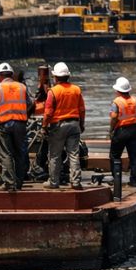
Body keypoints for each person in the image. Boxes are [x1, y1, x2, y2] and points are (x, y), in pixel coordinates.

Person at [0, 62, 33, 192]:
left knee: (5, 153)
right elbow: (30, 103)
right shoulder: (22, 87)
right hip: (20, 124)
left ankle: (9, 183)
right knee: (20, 152)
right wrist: (22, 115)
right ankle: (19, 182)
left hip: (3, 125)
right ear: (12, 75)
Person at [43, 61, 85, 190]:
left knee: (55, 154)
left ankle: (54, 182)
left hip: (58, 126)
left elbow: (48, 112)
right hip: (74, 124)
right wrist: (81, 124)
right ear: (68, 76)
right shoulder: (76, 90)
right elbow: (82, 109)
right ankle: (76, 182)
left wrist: (44, 126)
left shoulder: (53, 92)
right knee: (73, 154)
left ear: (55, 77)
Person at [109, 76, 136, 189]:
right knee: (134, 157)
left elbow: (114, 117)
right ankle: (134, 181)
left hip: (121, 130)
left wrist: (111, 130)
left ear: (118, 90)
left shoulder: (117, 102)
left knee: (115, 156)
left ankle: (116, 180)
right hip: (134, 129)